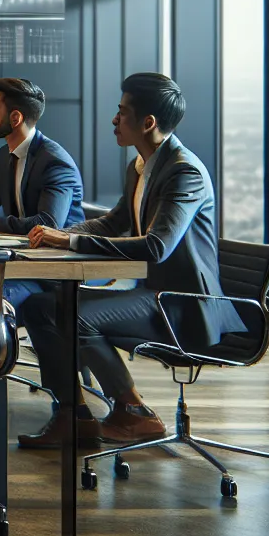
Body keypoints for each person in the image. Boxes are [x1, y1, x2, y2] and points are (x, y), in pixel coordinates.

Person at [17, 73, 242, 450]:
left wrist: (69, 240)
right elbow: (113, 222)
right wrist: (58, 235)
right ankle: (72, 416)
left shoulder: (183, 172)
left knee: (75, 314)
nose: (114, 119)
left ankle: (133, 411)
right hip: (154, 295)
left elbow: (156, 247)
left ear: (148, 123)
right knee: (41, 306)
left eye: (121, 112)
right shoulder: (141, 166)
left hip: (183, 304)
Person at [0, 77, 86, 316]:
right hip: (23, 263)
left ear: (15, 118)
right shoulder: (4, 156)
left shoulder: (54, 161)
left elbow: (48, 224)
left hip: (57, 272)